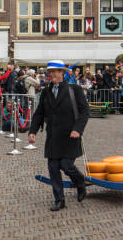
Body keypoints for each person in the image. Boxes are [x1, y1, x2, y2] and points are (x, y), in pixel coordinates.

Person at [28, 60, 89, 211]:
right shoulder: (46, 92)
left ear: (63, 73)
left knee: (67, 166)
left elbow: (84, 112)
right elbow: (39, 113)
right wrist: (32, 131)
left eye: (56, 71)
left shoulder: (74, 89)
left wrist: (78, 129)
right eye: (50, 72)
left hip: (70, 135)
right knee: (53, 167)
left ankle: (81, 183)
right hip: (53, 136)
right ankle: (59, 200)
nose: (52, 74)